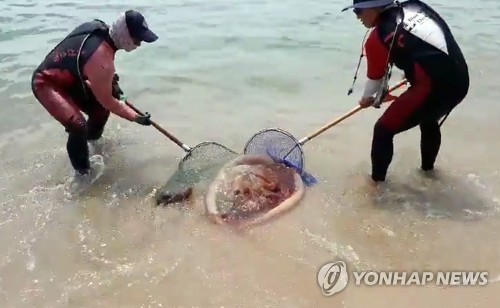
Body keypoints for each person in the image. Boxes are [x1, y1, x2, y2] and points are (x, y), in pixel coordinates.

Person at [341, 0, 469, 184]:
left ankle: (376, 188)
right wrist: (414, 72)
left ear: (373, 8)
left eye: (359, 12)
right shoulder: (416, 6)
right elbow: (433, 42)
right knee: (429, 118)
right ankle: (429, 174)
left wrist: (366, 99)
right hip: (461, 79)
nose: (358, 18)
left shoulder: (377, 37)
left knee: (383, 130)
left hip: (433, 88)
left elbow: (375, 79)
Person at [31, 10, 158, 186]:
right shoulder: (102, 62)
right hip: (47, 82)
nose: (139, 44)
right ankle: (82, 176)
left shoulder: (99, 28)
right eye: (137, 39)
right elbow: (110, 102)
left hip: (73, 77)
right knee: (78, 125)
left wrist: (109, 82)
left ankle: (92, 145)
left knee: (100, 111)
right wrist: (136, 117)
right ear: (125, 35)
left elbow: (82, 57)